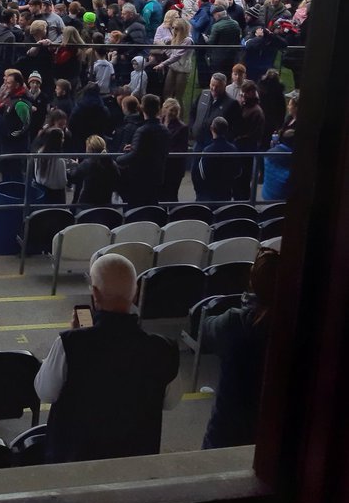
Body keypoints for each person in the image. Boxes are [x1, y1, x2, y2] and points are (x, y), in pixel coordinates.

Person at [34, 253, 181, 463]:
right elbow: (171, 402)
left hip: (75, 461)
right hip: (134, 463)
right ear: (136, 292)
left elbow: (45, 392)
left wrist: (78, 335)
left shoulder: (70, 344)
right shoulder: (164, 349)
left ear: (95, 293)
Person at [202, 249, 280, 448]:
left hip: (227, 432)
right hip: (272, 433)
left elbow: (207, 328)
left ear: (253, 284)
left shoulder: (234, 322)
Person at [116, 93, 169, 206]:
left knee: (136, 211)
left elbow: (135, 155)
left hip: (140, 178)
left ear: (142, 108)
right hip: (157, 175)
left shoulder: (142, 131)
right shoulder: (164, 130)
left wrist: (118, 159)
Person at [69, 133, 119, 205]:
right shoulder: (112, 163)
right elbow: (117, 181)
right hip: (106, 204)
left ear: (89, 148)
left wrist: (74, 166)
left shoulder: (87, 163)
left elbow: (73, 178)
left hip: (87, 205)